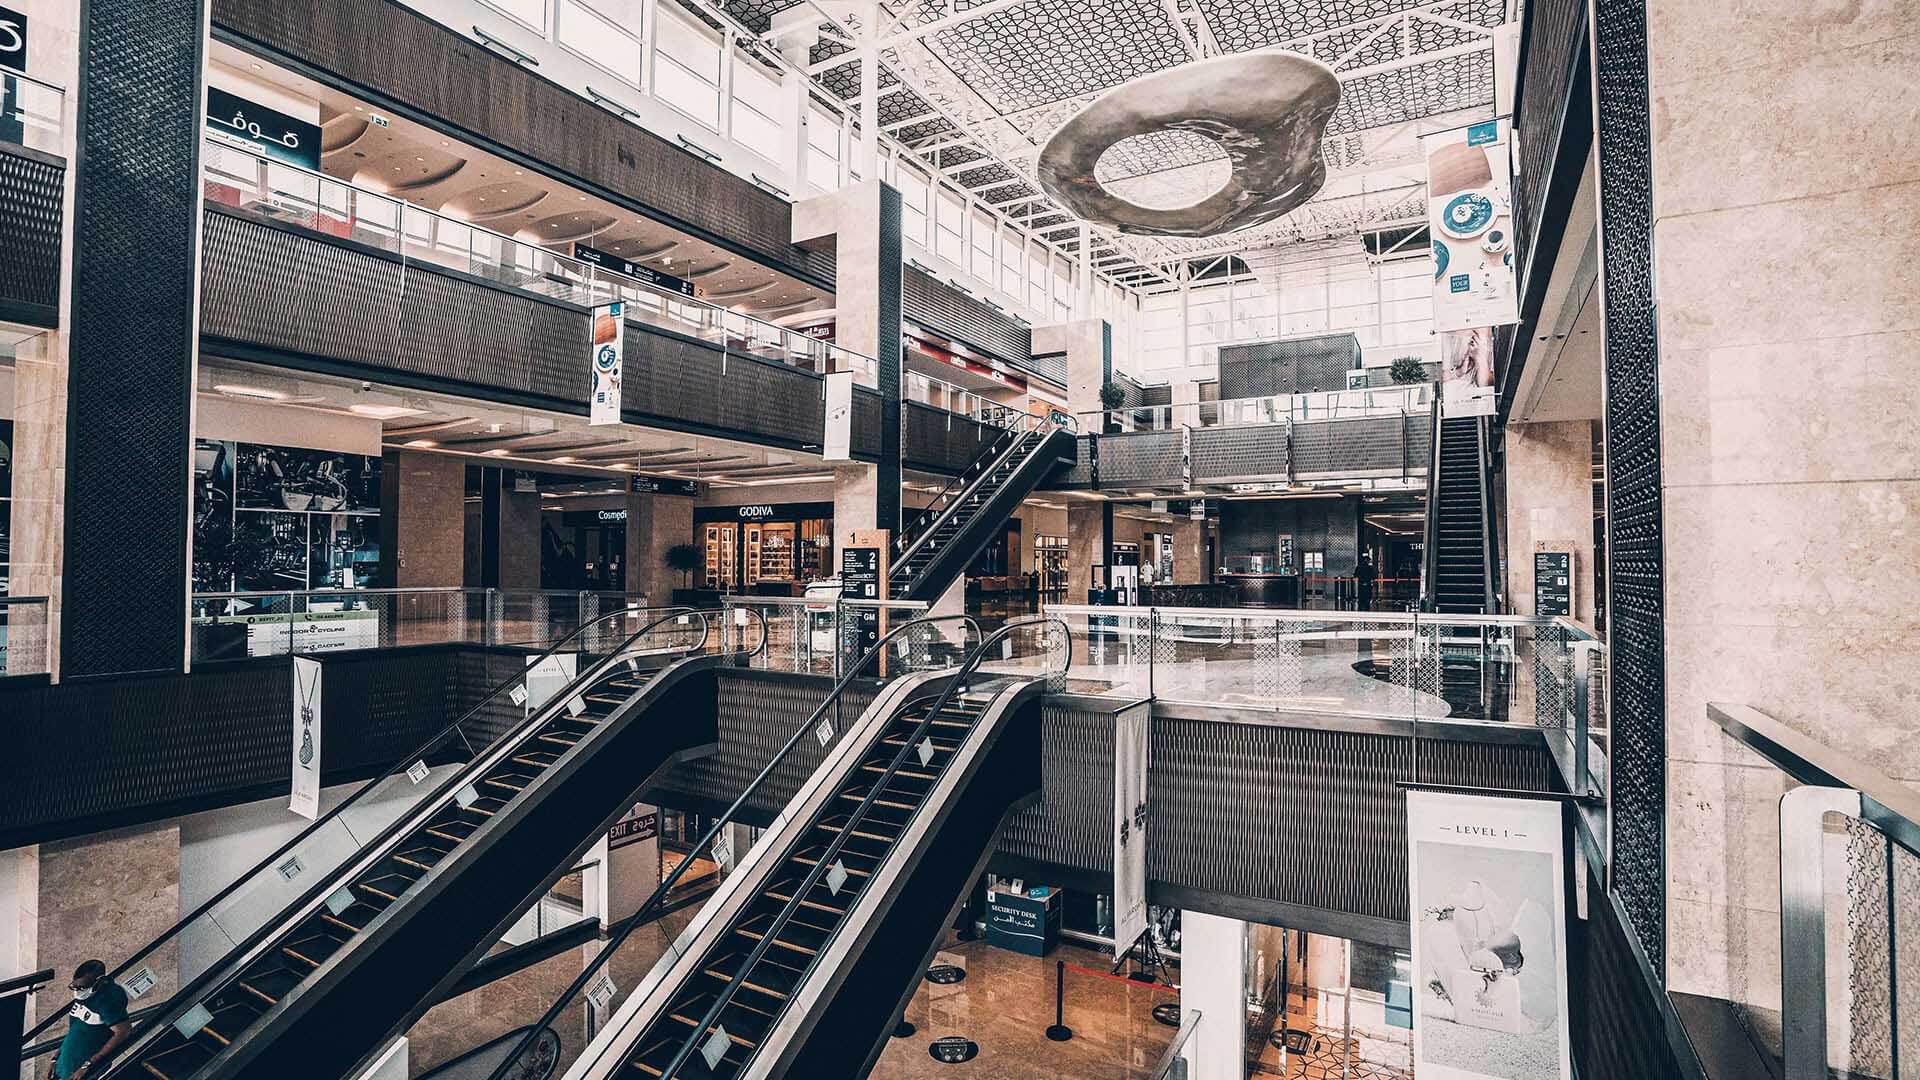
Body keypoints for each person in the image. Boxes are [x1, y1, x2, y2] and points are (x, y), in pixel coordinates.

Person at [49, 960, 130, 1080]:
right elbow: (75, 1029)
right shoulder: (84, 997)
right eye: (74, 986)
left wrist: (88, 1065)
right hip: (63, 1066)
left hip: (81, 1072)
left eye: (82, 987)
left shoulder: (108, 1000)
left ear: (99, 982)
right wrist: (56, 1057)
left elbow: (123, 1032)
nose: (78, 991)